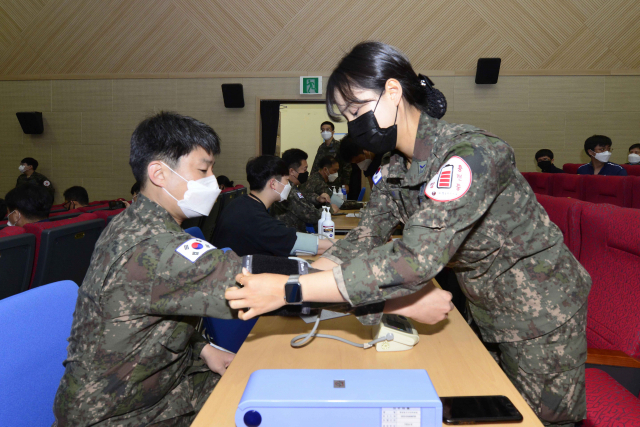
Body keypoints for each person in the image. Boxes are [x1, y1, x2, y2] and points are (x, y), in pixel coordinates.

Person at [227, 42, 591, 427]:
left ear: (394, 92)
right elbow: (364, 238)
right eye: (346, 116)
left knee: (541, 420)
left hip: (543, 310)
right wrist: (300, 278)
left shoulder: (470, 154)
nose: (353, 125)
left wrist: (291, 291)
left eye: (356, 110)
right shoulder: (395, 167)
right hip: (485, 305)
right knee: (494, 412)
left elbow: (415, 258)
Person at [53, 112, 241, 426]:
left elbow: (152, 316)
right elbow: (243, 284)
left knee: (254, 396)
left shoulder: (140, 221)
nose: (211, 181)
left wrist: (204, 349)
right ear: (159, 173)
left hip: (161, 382)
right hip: (118, 412)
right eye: (203, 169)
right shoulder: (152, 246)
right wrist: (332, 280)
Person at [212, 155, 334, 257]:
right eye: (286, 180)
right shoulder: (256, 218)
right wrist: (344, 244)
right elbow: (307, 245)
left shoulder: (240, 203)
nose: (288, 186)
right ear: (274, 184)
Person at [271, 149, 325, 232]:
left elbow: (303, 198)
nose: (306, 172)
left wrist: (317, 198)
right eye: (304, 169)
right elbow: (312, 216)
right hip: (291, 239)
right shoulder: (288, 191)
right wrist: (328, 210)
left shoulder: (288, 187)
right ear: (292, 171)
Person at [310, 121, 352, 192]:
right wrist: (311, 181)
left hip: (336, 183)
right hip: (322, 183)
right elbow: (316, 166)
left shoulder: (339, 146)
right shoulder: (321, 147)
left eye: (327, 129)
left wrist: (346, 183)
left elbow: (347, 166)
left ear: (333, 132)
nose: (325, 132)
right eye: (323, 130)